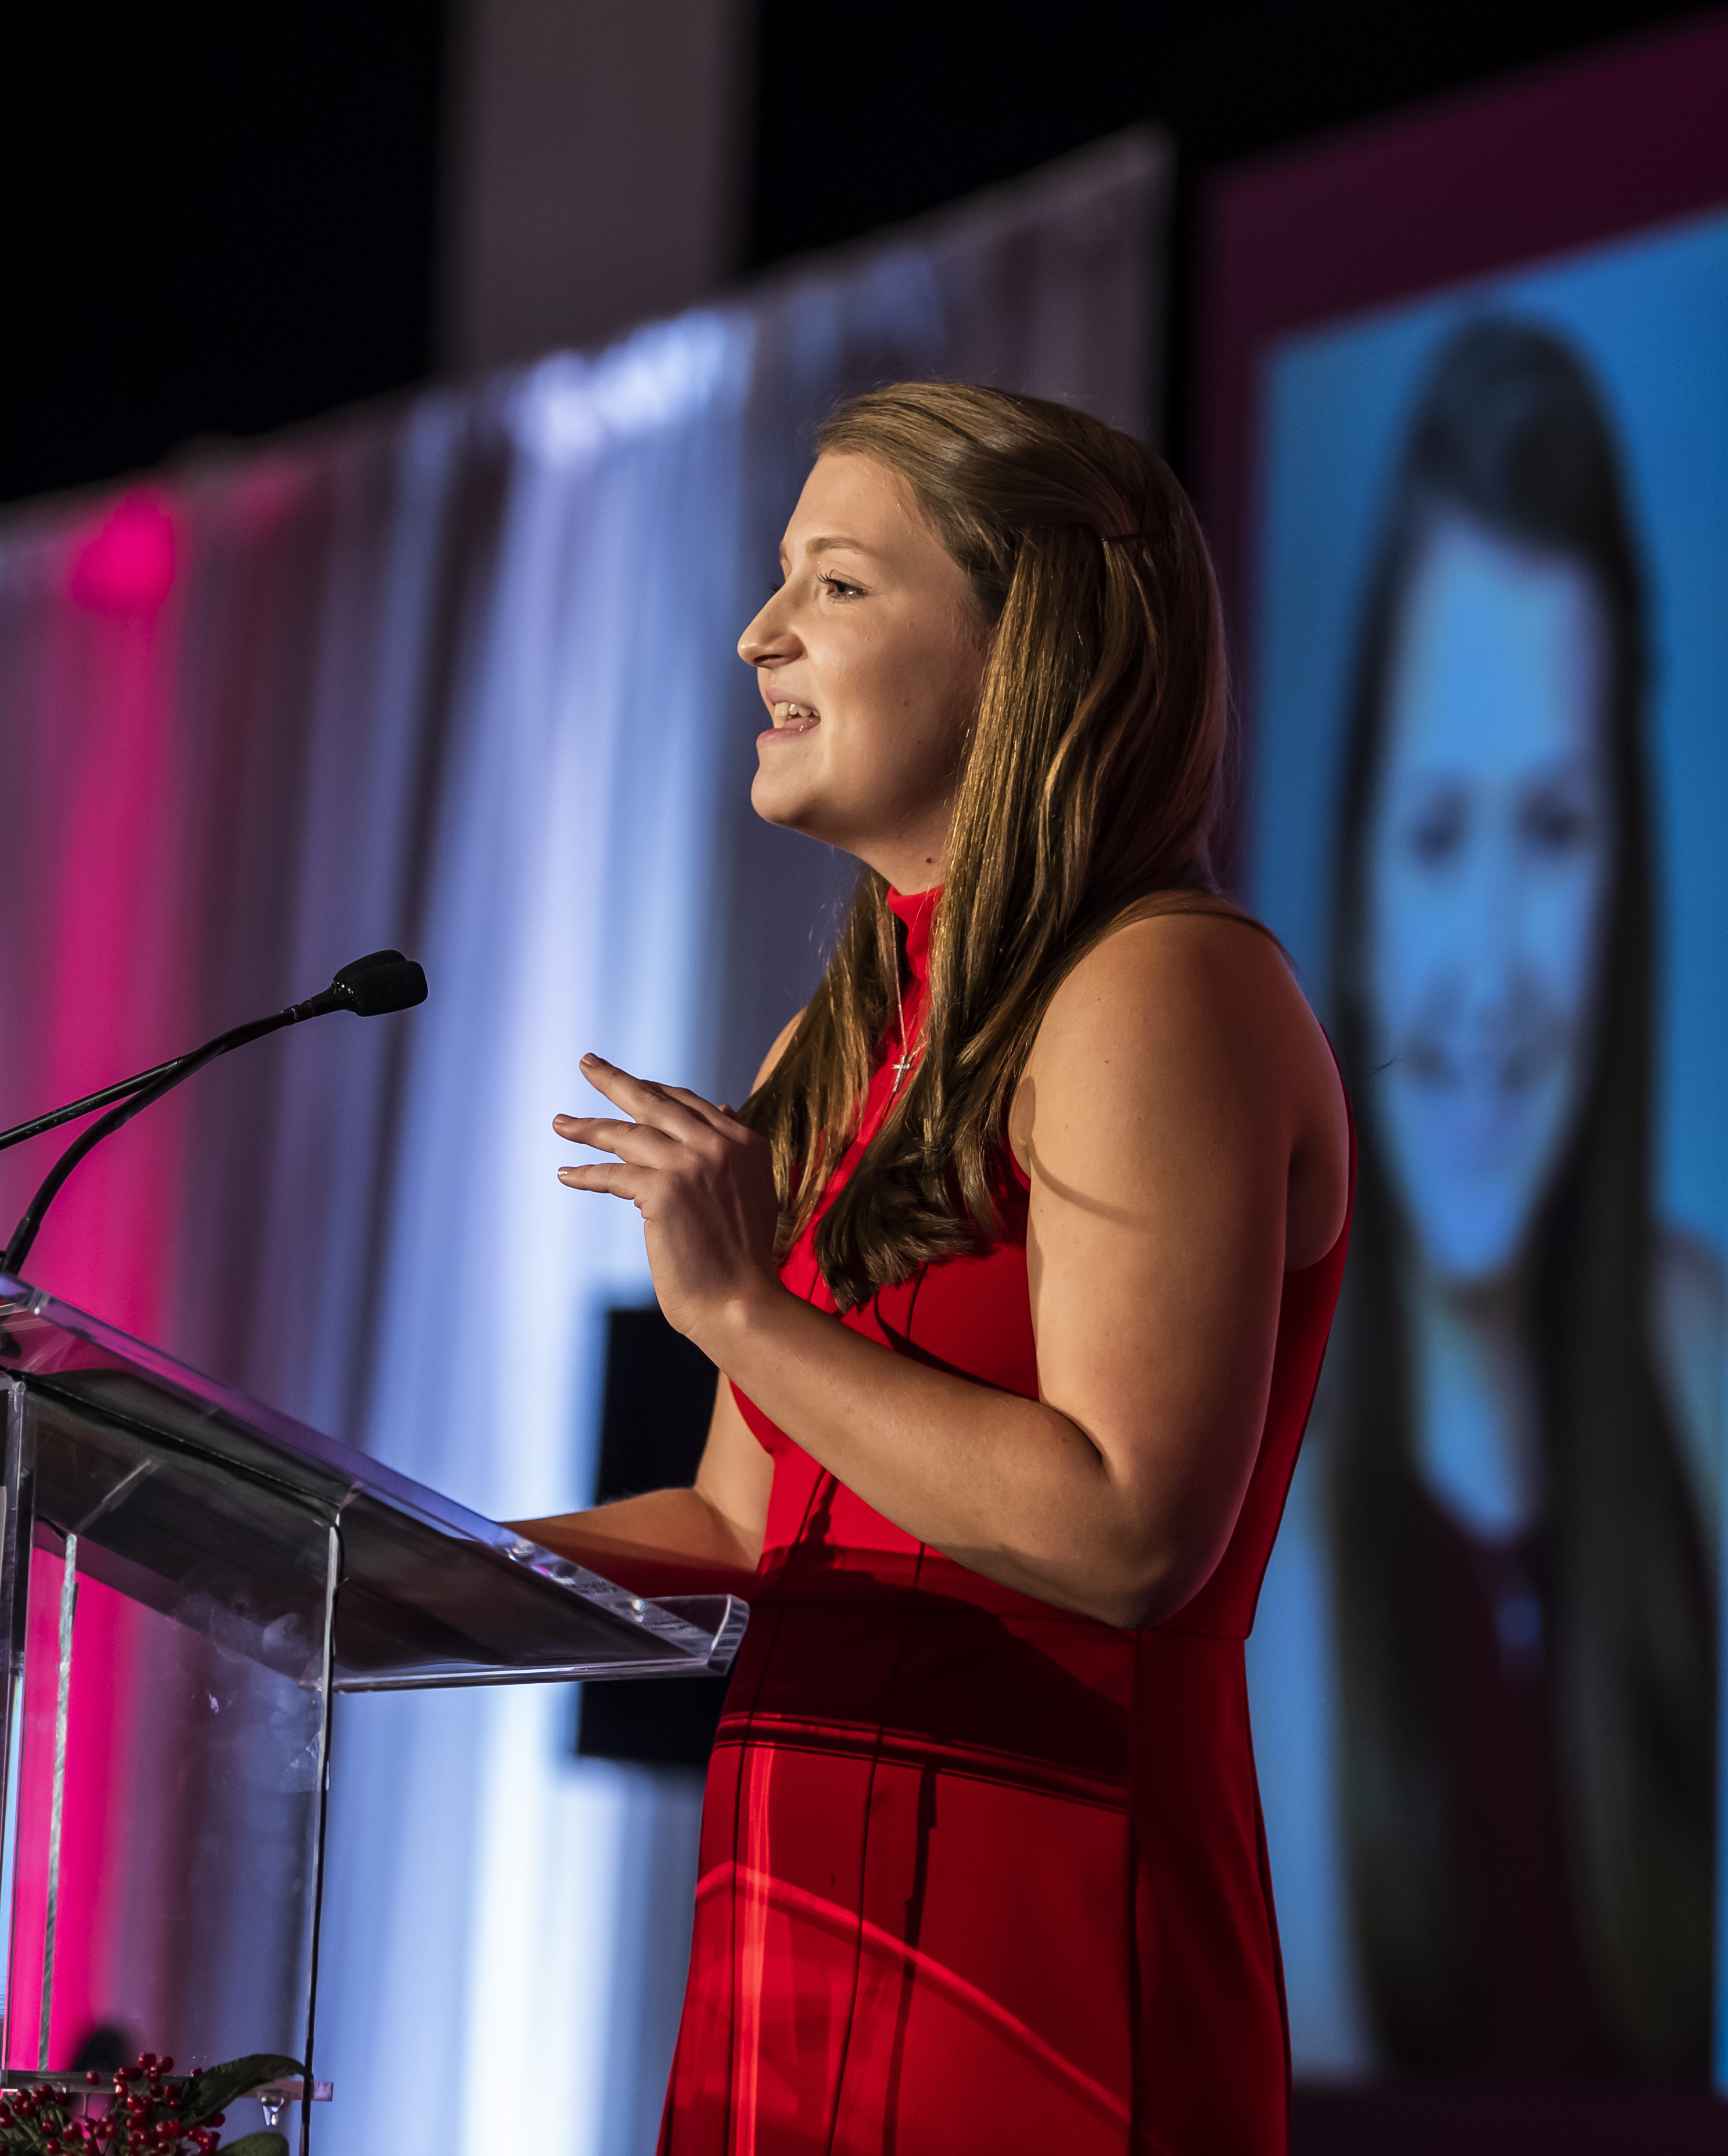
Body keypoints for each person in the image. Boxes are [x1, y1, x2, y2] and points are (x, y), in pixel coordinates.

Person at [515, 380, 1353, 2154]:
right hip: (791, 1953)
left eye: (834, 584)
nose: (758, 634)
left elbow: (1130, 1527)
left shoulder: (1163, 989)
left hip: (1042, 1973)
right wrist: (368, 1568)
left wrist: (741, 1309)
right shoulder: (849, 1029)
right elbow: (752, 1529)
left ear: (1023, 640)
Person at [1320, 317, 1723, 2080]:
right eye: (1436, 836)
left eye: (1552, 833)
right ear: (1349, 895)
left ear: (1627, 877)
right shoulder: (1248, 1470)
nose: (1489, 973)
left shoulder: (1714, 1372)